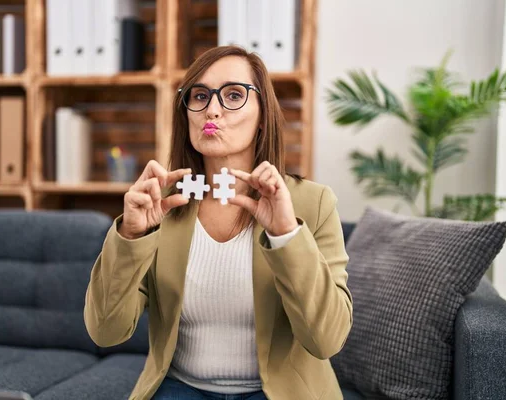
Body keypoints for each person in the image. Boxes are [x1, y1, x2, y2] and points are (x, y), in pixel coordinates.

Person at [84, 45, 353, 400]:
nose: (212, 109)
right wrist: (131, 235)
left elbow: (327, 340)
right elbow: (106, 332)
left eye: (233, 95)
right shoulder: (161, 204)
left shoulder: (313, 202)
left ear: (263, 116)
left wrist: (287, 235)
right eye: (199, 95)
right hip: (181, 387)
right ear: (187, 115)